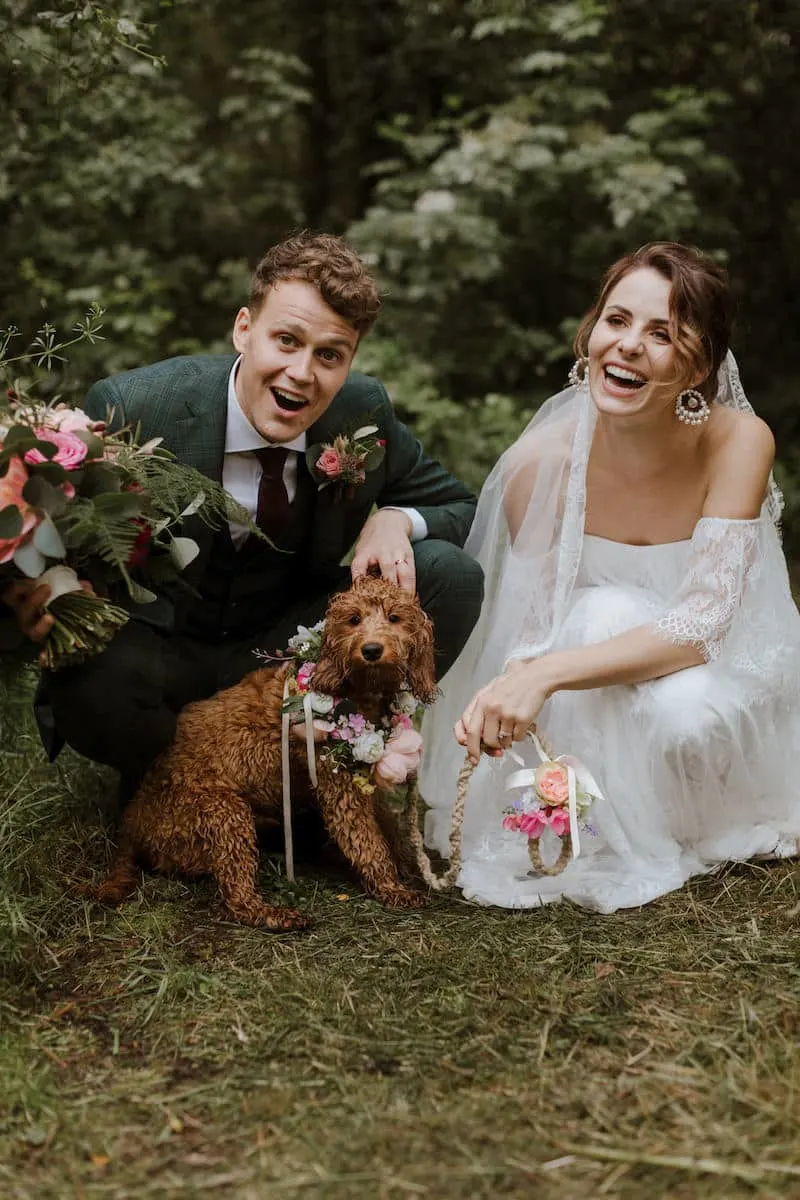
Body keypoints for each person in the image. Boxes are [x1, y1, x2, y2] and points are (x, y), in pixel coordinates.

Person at [5, 232, 483, 797]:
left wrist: (395, 519)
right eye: (286, 340)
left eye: (329, 355)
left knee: (448, 573)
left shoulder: (363, 411)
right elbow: (46, 532)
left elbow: (458, 505)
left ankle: (327, 766)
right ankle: (170, 782)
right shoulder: (135, 405)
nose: (302, 372)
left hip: (288, 645)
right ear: (243, 329)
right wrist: (34, 596)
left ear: (350, 359)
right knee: (96, 679)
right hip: (162, 647)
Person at [420, 241, 800, 913]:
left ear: (700, 366)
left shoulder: (738, 441)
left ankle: (687, 810)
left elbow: (700, 627)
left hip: (720, 670)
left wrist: (546, 674)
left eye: (662, 334)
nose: (627, 346)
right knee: (599, 613)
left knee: (678, 706)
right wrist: (529, 678)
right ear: (590, 332)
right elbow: (535, 628)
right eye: (616, 320)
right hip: (589, 680)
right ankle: (591, 820)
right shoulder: (541, 461)